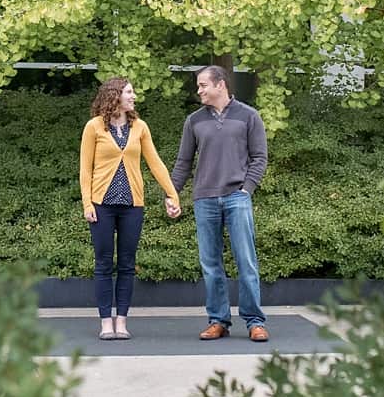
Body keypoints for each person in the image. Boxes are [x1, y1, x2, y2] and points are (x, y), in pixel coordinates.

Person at [170, 64, 270, 342]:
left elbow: (260, 157)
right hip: (204, 199)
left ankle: (255, 321)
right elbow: (183, 162)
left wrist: (246, 189)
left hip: (237, 197)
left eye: (203, 85)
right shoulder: (194, 121)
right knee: (211, 264)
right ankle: (218, 320)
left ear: (220, 85)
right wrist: (172, 193)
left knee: (246, 262)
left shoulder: (249, 116)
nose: (198, 90)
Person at [79, 77, 180, 341]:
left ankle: (121, 321)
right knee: (102, 265)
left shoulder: (140, 127)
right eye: (129, 92)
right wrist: (87, 202)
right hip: (101, 205)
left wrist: (172, 193)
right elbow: (84, 168)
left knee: (126, 265)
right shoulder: (94, 127)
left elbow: (155, 163)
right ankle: (105, 322)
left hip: (132, 205)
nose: (133, 96)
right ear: (114, 95)